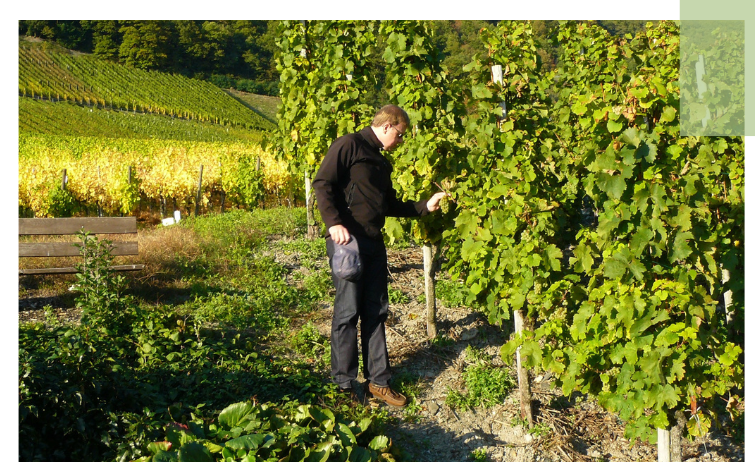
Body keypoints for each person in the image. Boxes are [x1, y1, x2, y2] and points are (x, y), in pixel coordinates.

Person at [313, 104, 446, 407]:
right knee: (347, 314)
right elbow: (323, 184)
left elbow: (389, 206)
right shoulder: (349, 145)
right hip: (348, 242)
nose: (401, 141)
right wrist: (334, 223)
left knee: (376, 312)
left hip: (374, 242)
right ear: (388, 126)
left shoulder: (381, 163)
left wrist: (425, 206)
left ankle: (379, 382)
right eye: (400, 135)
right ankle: (345, 385)